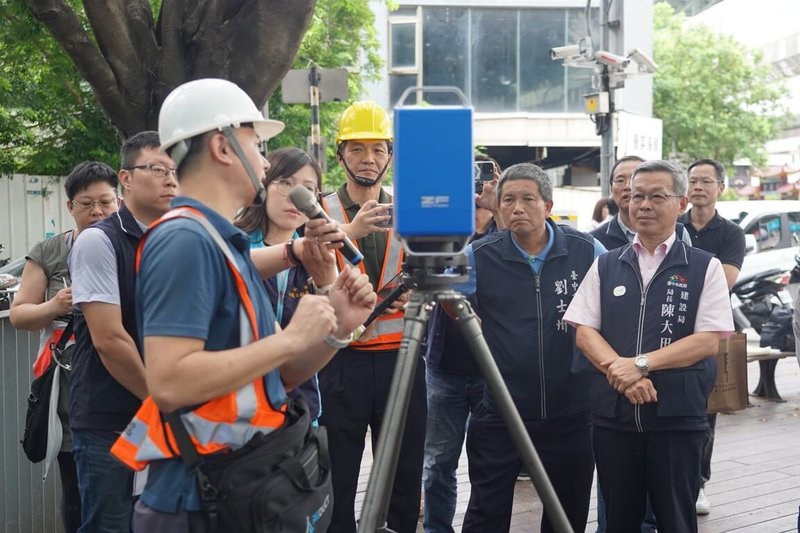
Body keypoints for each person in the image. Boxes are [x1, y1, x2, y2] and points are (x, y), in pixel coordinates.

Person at [109, 78, 375, 531]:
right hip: (200, 499)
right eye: (257, 142)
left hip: (237, 488)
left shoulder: (220, 242)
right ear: (223, 146)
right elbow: (170, 382)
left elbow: (274, 376)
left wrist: (335, 330)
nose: (265, 160)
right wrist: (292, 337)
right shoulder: (183, 239)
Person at [564, 160, 734, 533]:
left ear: (681, 203)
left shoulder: (704, 266)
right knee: (618, 520)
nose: (643, 205)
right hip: (614, 416)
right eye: (636, 196)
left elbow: (708, 339)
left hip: (676, 415)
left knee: (676, 518)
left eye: (657, 196)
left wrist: (640, 364)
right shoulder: (607, 263)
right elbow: (584, 330)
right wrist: (620, 371)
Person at [456, 163, 604, 533]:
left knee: (566, 512)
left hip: (571, 410)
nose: (517, 208)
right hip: (500, 409)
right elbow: (444, 301)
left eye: (527, 199)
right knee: (485, 513)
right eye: (508, 200)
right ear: (498, 207)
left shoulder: (587, 251)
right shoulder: (478, 255)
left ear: (548, 205)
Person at [319, 100, 427, 533]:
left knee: (404, 473)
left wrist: (417, 291)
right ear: (340, 154)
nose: (369, 159)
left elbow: (437, 270)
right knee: (337, 475)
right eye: (358, 149)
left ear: (390, 156)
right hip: (341, 359)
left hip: (401, 356)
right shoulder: (321, 210)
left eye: (378, 149)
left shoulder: (413, 207)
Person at [67, 131, 178, 532]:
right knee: (110, 525)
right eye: (158, 169)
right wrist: (164, 402)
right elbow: (109, 341)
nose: (170, 179)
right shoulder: (99, 240)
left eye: (176, 170)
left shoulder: (179, 235)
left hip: (170, 414)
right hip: (111, 419)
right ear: (126, 178)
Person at [10, 161, 119, 533]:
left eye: (106, 202)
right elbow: (19, 314)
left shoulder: (135, 245)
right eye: (86, 203)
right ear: (70, 206)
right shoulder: (51, 251)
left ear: (119, 201)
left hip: (125, 380)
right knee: (77, 489)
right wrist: (56, 306)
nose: (98, 212)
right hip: (70, 391)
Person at [422, 158, 505, 533]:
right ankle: (439, 528)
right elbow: (432, 275)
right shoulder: (444, 226)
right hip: (445, 366)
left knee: (491, 460)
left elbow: (515, 256)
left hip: (493, 365)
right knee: (438, 460)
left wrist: (499, 204)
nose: (477, 188)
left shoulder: (508, 228)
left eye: (485, 180)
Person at [235, 147, 329, 422]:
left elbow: (332, 331)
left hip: (301, 410)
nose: (295, 196)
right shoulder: (234, 242)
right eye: (286, 182)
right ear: (264, 183)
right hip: (243, 408)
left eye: (308, 188)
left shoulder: (318, 253)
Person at [679, 158, 746, 515]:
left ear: (720, 187)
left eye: (706, 181)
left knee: (707, 411)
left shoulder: (731, 233)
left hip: (709, 331)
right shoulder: (672, 224)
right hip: (671, 325)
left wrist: (684, 273)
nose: (698, 187)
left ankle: (699, 482)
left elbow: (726, 280)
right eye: (693, 180)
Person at [591, 156, 692, 250]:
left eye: (633, 179)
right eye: (620, 180)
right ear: (611, 190)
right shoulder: (594, 240)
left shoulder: (679, 232)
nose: (628, 186)